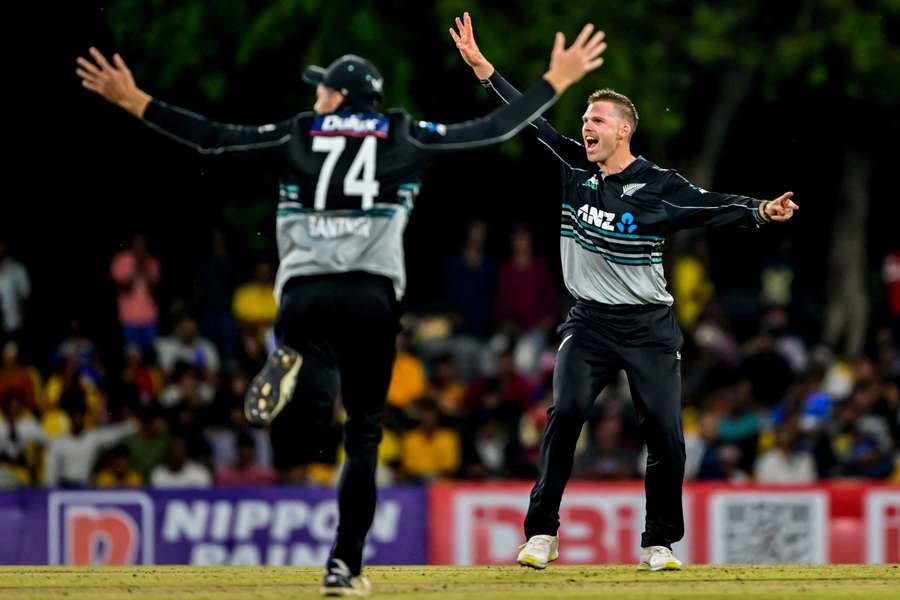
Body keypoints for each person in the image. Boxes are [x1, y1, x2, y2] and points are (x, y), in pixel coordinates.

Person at [76, 27, 605, 595]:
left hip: (303, 292)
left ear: (339, 96)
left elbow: (214, 137)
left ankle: (293, 356)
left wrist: (134, 101)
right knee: (364, 436)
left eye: (322, 89)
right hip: (370, 295)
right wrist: (558, 80)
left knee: (309, 362)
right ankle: (343, 566)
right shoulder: (401, 132)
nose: (316, 97)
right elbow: (489, 130)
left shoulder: (299, 132)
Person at [451, 12, 799, 572]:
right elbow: (530, 119)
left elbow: (709, 204)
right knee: (564, 413)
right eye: (584, 119)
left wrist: (759, 210)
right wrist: (485, 68)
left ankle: (658, 543)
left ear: (623, 130)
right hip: (588, 323)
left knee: (665, 433)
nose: (585, 127)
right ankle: (541, 534)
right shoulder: (574, 165)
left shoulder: (659, 187)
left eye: (596, 120)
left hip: (648, 328)